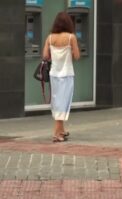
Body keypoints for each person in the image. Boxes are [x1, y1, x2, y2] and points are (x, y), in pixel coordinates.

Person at [42, 12, 80, 142]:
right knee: (63, 103)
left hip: (54, 74)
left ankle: (61, 130)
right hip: (67, 74)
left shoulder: (50, 38)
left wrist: (55, 53)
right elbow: (77, 56)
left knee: (57, 101)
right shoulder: (71, 37)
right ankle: (56, 133)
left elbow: (45, 56)